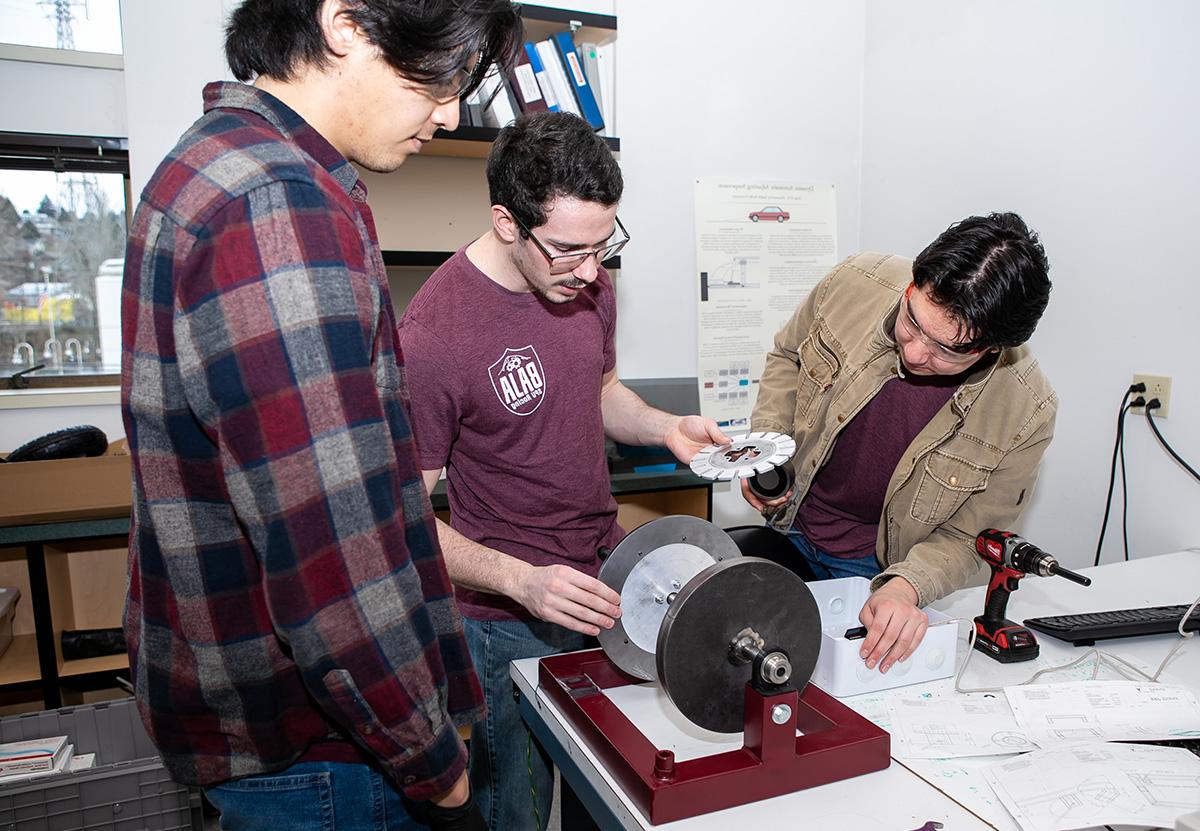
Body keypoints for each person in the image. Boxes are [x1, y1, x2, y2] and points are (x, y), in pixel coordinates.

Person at [121, 2, 522, 828]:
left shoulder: (218, 163)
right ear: (346, 24)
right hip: (328, 755)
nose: (450, 113)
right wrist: (436, 765)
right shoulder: (275, 204)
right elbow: (331, 549)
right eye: (443, 75)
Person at [398, 111, 728, 831]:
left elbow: (601, 390)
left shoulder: (585, 282)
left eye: (603, 247)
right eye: (571, 251)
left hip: (605, 585)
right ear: (507, 222)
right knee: (514, 809)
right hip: (505, 619)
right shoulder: (432, 335)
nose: (591, 272)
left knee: (604, 790)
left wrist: (664, 427)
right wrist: (522, 580)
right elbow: (405, 521)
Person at [744, 213, 1055, 677]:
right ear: (914, 282)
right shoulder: (854, 283)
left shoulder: (1025, 411)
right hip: (787, 528)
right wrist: (769, 448)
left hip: (879, 572)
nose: (913, 353)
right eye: (912, 322)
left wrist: (905, 588)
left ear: (993, 349)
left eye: (947, 349)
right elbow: (788, 355)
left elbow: (972, 536)